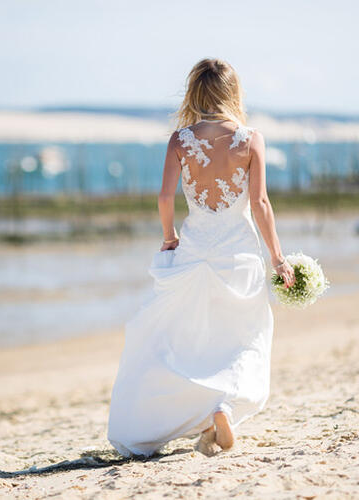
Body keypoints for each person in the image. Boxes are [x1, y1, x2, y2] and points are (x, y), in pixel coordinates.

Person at [107, 58, 295, 457]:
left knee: (186, 335)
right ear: (232, 92)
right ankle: (225, 406)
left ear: (195, 92)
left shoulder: (180, 140)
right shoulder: (251, 139)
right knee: (245, 335)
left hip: (195, 248)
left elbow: (164, 197)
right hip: (238, 251)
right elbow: (259, 203)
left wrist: (169, 236)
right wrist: (278, 258)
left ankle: (197, 410)